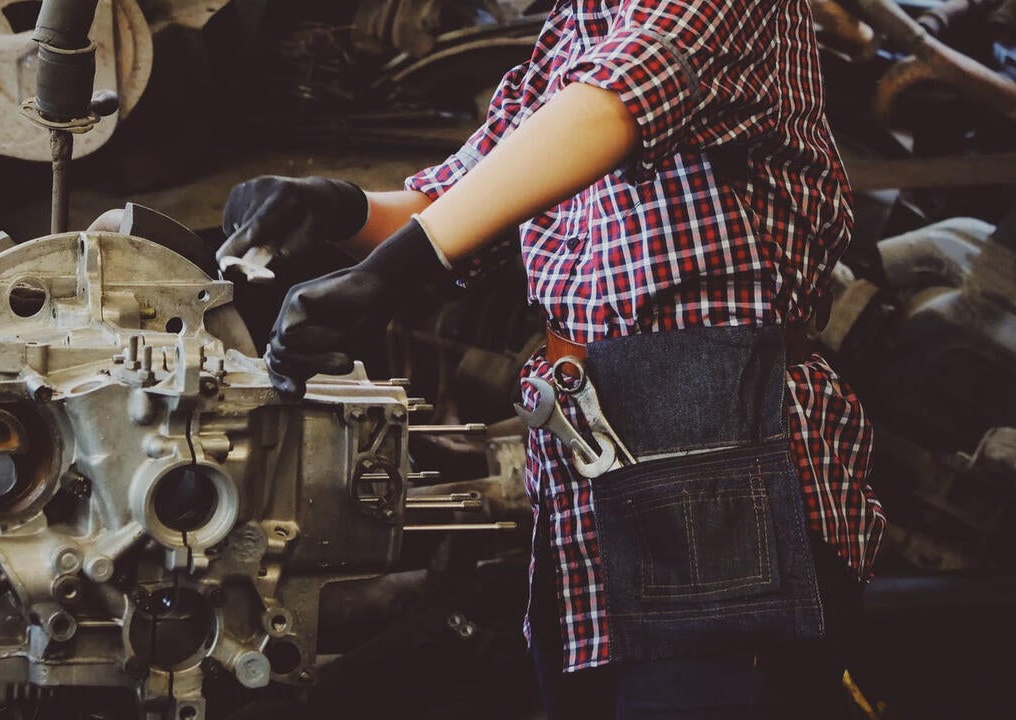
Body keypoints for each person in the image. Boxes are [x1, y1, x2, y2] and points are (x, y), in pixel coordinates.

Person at [219, 1, 887, 717]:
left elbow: (616, 103)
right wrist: (336, 208)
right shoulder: (578, 26)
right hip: (586, 473)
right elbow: (464, 197)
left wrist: (393, 272)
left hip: (726, 454)